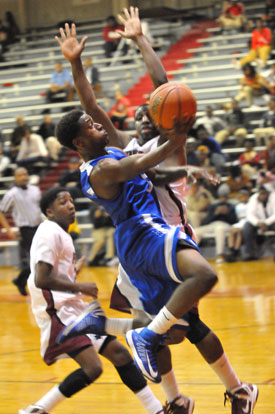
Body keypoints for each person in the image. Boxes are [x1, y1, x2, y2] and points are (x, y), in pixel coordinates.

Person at [55, 12, 258, 413]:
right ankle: (176, 399)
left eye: (153, 115)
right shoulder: (121, 152)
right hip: (140, 244)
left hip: (167, 234)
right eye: (140, 115)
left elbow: (164, 88)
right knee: (169, 331)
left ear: (163, 121)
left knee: (188, 327)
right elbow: (90, 103)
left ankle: (234, 391)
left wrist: (140, 40)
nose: (145, 117)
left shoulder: (167, 147)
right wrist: (76, 64)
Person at [20, 186, 167, 414]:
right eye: (62, 202)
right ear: (49, 211)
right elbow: (41, 278)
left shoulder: (61, 233)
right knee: (93, 368)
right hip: (58, 311)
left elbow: (52, 274)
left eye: (71, 201)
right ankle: (38, 409)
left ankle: (156, 410)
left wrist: (73, 271)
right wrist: (79, 285)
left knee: (120, 355)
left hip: (73, 309)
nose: (70, 206)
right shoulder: (49, 231)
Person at [0, 167, 43, 296]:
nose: (24, 177)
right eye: (20, 175)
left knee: (41, 258)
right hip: (25, 230)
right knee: (37, 259)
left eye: (25, 174)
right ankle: (23, 281)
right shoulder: (11, 194)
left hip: (40, 227)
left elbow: (40, 208)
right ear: (15, 178)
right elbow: (1, 212)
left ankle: (20, 280)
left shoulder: (35, 190)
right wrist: (8, 230)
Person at [195, 184, 237, 264]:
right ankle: (192, 255)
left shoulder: (231, 206)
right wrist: (215, 213)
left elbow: (233, 221)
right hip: (213, 224)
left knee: (220, 229)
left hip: (225, 224)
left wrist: (226, 213)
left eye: (224, 197)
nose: (223, 199)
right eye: (222, 197)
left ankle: (220, 254)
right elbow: (207, 221)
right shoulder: (214, 205)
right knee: (195, 231)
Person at [242, 185, 275, 260]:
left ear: (268, 193)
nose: (263, 196)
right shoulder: (254, 198)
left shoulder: (273, 197)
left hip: (271, 222)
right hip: (258, 223)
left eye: (264, 193)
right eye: (261, 193)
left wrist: (266, 223)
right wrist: (258, 223)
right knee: (247, 227)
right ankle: (250, 253)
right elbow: (249, 215)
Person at [224, 188, 251, 262]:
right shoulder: (237, 206)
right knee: (232, 230)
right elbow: (237, 216)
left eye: (244, 196)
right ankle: (231, 249)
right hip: (240, 221)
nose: (243, 198)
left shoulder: (251, 204)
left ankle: (236, 250)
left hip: (248, 221)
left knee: (239, 231)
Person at [88, 201, 117, 267]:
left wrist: (109, 217)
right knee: (100, 240)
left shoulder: (110, 205)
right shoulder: (94, 207)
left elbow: (114, 223)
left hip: (109, 228)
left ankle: (109, 257)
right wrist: (97, 218)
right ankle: (91, 259)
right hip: (98, 229)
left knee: (111, 233)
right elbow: (94, 222)